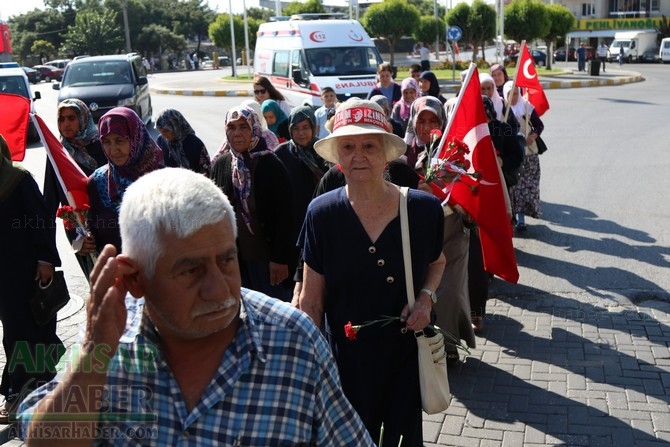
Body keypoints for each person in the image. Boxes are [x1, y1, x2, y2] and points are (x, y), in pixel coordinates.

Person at [16, 168, 375, 445]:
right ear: (135, 279)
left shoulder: (295, 342)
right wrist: (93, 355)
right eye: (190, 270)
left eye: (227, 261)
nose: (219, 290)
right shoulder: (108, 343)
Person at [297, 99, 446, 446]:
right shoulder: (320, 215)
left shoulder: (422, 211)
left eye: (368, 146)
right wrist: (309, 367)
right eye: (347, 146)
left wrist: (425, 300)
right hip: (344, 366)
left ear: (386, 154)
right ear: (337, 154)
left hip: (402, 360)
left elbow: (437, 262)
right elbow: (311, 304)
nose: (358, 155)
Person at [405, 97, 477, 360]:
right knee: (422, 292)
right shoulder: (403, 151)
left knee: (449, 292)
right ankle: (424, 347)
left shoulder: (453, 153)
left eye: (433, 121)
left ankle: (448, 347)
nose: (426, 127)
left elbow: (469, 192)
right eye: (421, 121)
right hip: (416, 235)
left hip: (452, 231)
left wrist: (440, 191)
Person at [0, 134, 64, 424]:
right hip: (3, 274)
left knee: (22, 330)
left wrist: (46, 259)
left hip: (24, 270)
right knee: (19, 331)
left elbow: (41, 219)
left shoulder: (17, 178)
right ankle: (36, 386)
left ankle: (20, 393)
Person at [210, 106, 295, 302]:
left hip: (268, 262)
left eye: (243, 127)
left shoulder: (271, 165)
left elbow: (286, 217)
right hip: (236, 261)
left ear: (254, 129)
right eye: (231, 127)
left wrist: (280, 259)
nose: (237, 133)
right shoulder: (222, 164)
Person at [84, 107, 164, 255]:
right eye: (106, 142)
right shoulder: (98, 182)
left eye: (119, 141)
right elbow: (94, 226)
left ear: (136, 137)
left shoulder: (163, 178)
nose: (113, 150)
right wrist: (87, 240)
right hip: (118, 273)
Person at [43, 99, 107, 279]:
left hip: (106, 226)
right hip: (78, 231)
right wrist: (45, 255)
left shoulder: (103, 146)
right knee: (96, 283)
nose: (66, 124)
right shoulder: (57, 154)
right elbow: (49, 202)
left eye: (71, 118)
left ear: (83, 118)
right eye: (61, 119)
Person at [274, 106, 331, 288]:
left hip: (319, 226)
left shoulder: (323, 152)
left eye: (306, 127)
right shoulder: (281, 154)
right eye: (296, 129)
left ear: (314, 127)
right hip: (291, 230)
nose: (301, 133)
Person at [503, 81, 545, 233]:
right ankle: (517, 219)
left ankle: (523, 217)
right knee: (515, 188)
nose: (513, 97)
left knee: (528, 187)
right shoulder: (503, 110)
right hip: (513, 155)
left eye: (515, 93)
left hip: (529, 154)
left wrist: (532, 136)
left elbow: (539, 125)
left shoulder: (526, 107)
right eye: (509, 94)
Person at [155, 108, 211, 175]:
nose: (163, 135)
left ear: (176, 126)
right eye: (160, 131)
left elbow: (206, 171)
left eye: (166, 131)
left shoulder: (195, 144)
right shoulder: (161, 141)